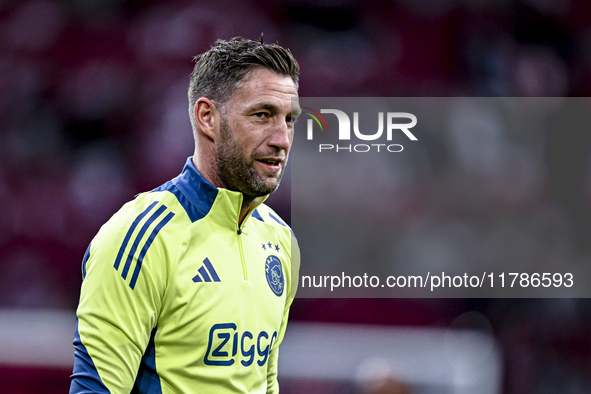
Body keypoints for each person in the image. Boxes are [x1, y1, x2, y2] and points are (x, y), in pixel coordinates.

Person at [70, 37, 301, 394]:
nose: (282, 139)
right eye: (262, 115)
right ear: (207, 117)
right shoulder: (139, 237)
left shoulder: (281, 241)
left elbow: (265, 385)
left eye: (289, 120)